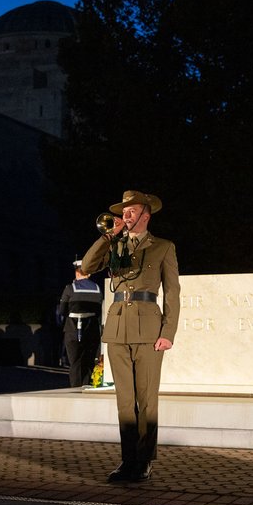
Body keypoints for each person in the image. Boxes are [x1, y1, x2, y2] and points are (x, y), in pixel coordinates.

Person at [81, 190, 179, 483]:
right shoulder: (115, 244)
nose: (125, 215)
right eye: (123, 211)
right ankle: (127, 460)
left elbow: (172, 292)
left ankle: (145, 460)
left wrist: (168, 332)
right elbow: (86, 267)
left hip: (149, 329)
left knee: (146, 399)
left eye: (131, 211)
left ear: (145, 215)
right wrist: (107, 238)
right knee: (125, 400)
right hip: (118, 327)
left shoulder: (163, 246)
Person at [57, 259, 103, 387]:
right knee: (89, 361)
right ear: (89, 274)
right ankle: (88, 386)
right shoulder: (97, 288)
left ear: (77, 273)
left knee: (75, 362)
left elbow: (62, 311)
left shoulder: (70, 289)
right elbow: (99, 312)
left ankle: (76, 389)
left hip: (73, 330)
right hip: (91, 330)